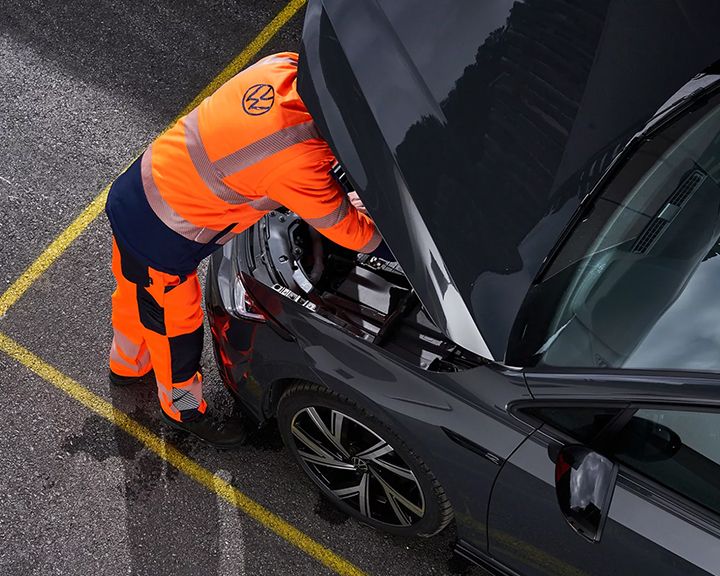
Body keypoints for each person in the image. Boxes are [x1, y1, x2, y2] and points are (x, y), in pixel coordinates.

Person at [105, 52, 382, 448]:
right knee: (175, 332)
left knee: (135, 294)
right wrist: (389, 244)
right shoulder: (297, 159)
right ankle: (181, 407)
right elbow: (352, 233)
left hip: (138, 190)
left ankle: (126, 365)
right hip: (162, 239)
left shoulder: (281, 68)